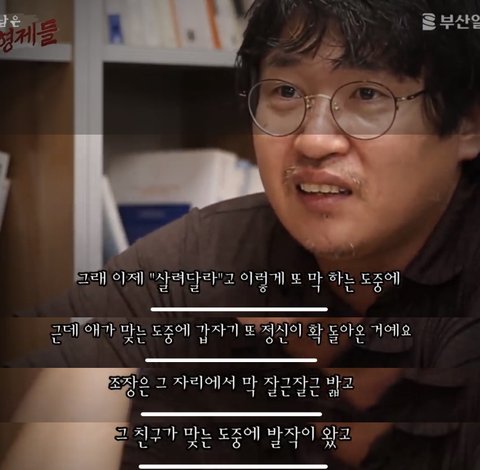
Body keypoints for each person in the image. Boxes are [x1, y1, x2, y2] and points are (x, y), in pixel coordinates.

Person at [2, 0, 480, 468]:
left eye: (368, 95)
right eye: (285, 92)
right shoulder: (198, 258)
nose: (314, 141)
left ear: (467, 124)